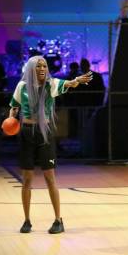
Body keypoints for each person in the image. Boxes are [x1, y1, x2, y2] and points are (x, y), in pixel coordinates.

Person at [9, 56, 92, 234]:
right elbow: (14, 106)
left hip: (44, 134)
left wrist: (77, 80)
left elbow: (70, 83)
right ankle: (27, 220)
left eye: (44, 66)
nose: (42, 68)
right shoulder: (21, 87)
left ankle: (58, 220)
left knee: (49, 178)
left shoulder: (51, 84)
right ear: (31, 68)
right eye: (38, 66)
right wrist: (10, 118)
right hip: (26, 133)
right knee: (27, 180)